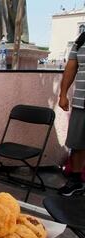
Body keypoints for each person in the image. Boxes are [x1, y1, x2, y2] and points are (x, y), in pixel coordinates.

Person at [57, 32, 85, 196]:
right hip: (81, 101)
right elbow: (71, 67)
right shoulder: (81, 40)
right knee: (77, 143)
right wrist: (63, 94)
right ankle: (75, 181)